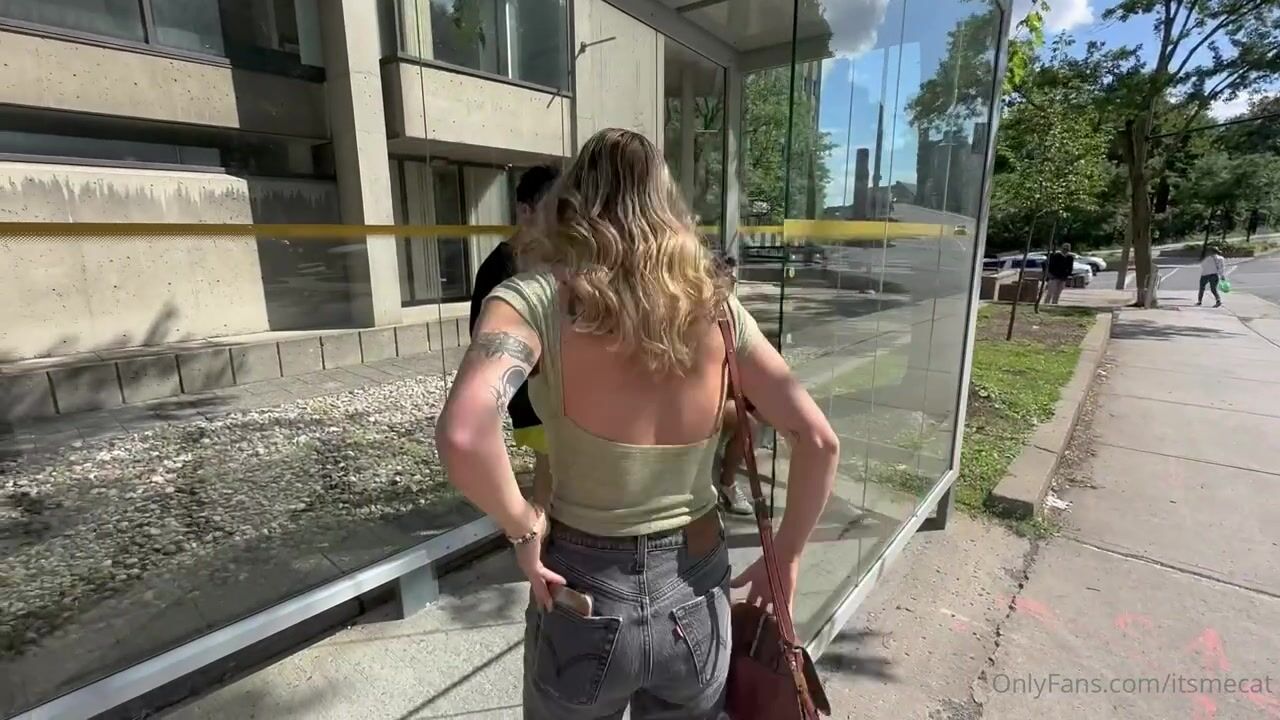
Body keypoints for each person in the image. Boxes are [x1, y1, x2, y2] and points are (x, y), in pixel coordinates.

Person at [437, 128, 838, 719]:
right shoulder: (718, 308)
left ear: (569, 203)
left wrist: (522, 528)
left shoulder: (534, 299)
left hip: (580, 590)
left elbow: (465, 434)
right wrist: (787, 553)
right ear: (669, 208)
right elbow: (819, 440)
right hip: (697, 588)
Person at [469, 165, 560, 508]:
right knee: (551, 469)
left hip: (551, 388)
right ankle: (537, 528)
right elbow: (485, 347)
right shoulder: (499, 270)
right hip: (530, 392)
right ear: (525, 210)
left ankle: (540, 525)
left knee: (554, 469)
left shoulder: (551, 261)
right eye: (553, 209)